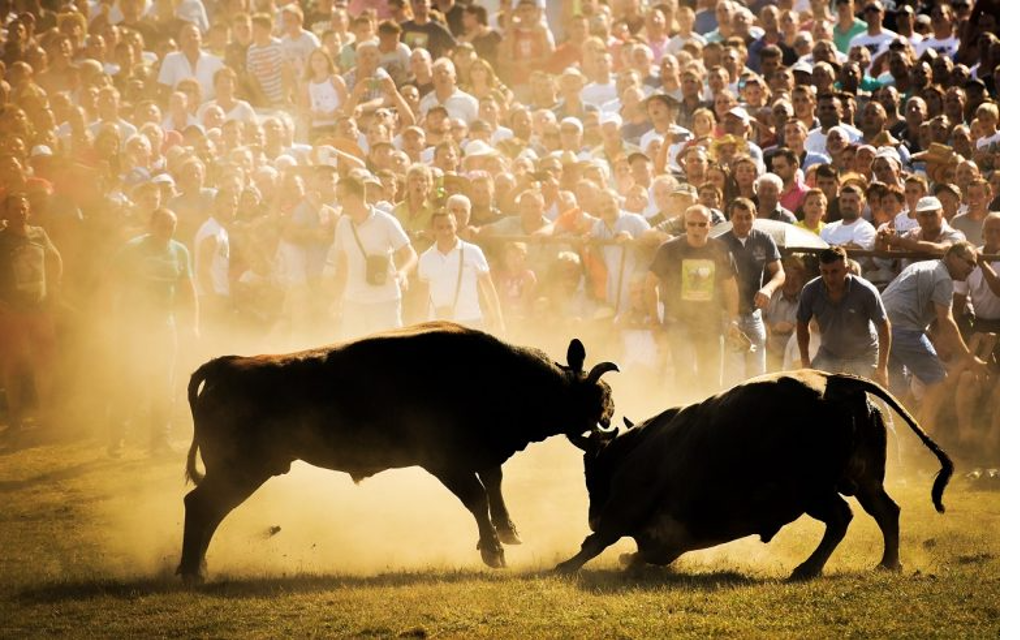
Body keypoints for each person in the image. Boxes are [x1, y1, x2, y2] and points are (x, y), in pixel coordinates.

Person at [109, 208, 199, 456]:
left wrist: (193, 324)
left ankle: (160, 441)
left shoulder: (180, 251)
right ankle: (118, 436)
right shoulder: (132, 249)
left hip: (165, 325)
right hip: (135, 324)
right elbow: (111, 282)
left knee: (164, 384)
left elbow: (188, 290)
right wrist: (114, 317)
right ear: (151, 224)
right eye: (162, 225)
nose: (166, 230)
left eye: (171, 225)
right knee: (131, 381)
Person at [881, 242, 985, 432]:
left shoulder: (923, 267)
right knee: (937, 380)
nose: (971, 268)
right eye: (969, 262)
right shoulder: (942, 278)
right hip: (902, 329)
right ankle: (923, 438)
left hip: (883, 329)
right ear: (952, 256)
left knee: (895, 386)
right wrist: (970, 358)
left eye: (974, 265)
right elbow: (946, 322)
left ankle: (894, 433)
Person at [645, 204, 739, 399]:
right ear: (685, 225)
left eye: (701, 224)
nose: (696, 229)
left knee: (712, 380)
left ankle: (710, 424)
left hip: (711, 323)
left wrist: (733, 320)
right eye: (692, 224)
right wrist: (654, 319)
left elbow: (731, 288)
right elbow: (650, 284)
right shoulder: (669, 249)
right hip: (678, 321)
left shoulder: (720, 249)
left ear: (710, 225)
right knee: (685, 376)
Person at [0, 192, 62, 436]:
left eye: (24, 208)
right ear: (5, 213)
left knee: (44, 363)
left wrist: (55, 286)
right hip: (12, 311)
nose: (21, 213)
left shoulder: (39, 233)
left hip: (40, 309)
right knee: (13, 364)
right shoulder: (1, 240)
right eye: (15, 209)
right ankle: (15, 418)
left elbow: (55, 257)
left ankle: (46, 414)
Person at [327, 175, 417, 340]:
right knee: (354, 352)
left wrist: (403, 272)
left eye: (340, 197)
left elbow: (410, 255)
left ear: (353, 197)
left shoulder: (386, 221)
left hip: (385, 300)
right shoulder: (342, 224)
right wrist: (338, 296)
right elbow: (342, 263)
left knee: (388, 351)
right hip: (353, 301)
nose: (338, 202)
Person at [797, 247, 890, 386]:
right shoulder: (810, 290)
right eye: (825, 272)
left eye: (835, 272)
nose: (829, 277)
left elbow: (884, 326)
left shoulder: (866, 291)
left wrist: (882, 368)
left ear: (847, 269)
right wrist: (805, 362)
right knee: (810, 392)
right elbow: (801, 324)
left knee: (874, 399)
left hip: (864, 356)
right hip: (829, 354)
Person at [717, 197, 785, 382]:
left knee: (758, 373)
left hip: (754, 312)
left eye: (748, 217)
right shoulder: (719, 243)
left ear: (755, 216)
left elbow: (779, 273)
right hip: (728, 314)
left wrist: (769, 289)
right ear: (731, 217)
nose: (744, 222)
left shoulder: (763, 239)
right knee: (734, 372)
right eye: (739, 217)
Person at [418, 210, 504, 331]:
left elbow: (488, 288)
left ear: (456, 226)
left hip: (470, 321)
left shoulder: (473, 252)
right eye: (440, 227)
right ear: (433, 229)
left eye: (449, 226)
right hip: (437, 323)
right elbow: (423, 296)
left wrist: (498, 320)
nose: (445, 231)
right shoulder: (425, 258)